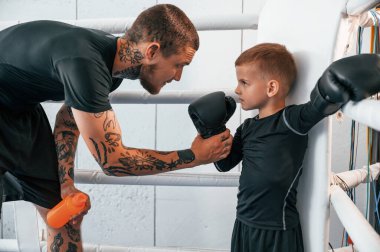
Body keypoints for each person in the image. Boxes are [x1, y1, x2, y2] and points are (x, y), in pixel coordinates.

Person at [0, 4, 233, 252]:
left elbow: (68, 119)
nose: (177, 76)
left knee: (64, 213)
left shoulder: (111, 70)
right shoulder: (86, 63)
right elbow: (113, 161)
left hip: (20, 110)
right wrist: (193, 157)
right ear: (152, 51)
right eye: (178, 64)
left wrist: (65, 183)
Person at [188, 43, 380, 252]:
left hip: (277, 229)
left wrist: (334, 85)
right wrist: (213, 130)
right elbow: (224, 163)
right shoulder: (247, 127)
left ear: (271, 88)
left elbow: (318, 106)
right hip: (243, 223)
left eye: (244, 82)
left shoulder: (291, 120)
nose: (236, 89)